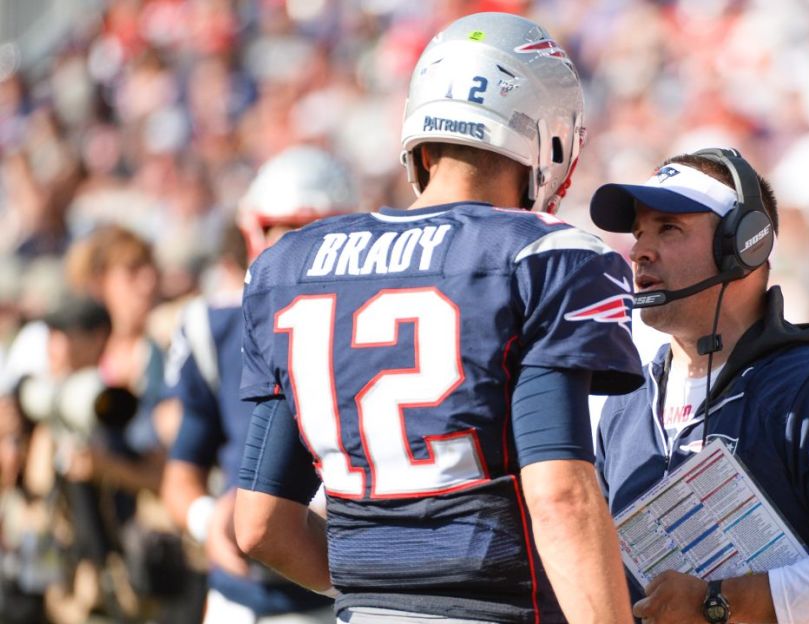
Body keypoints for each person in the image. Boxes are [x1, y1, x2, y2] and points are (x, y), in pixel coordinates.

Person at [232, 12, 643, 624]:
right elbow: (560, 497)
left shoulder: (288, 265)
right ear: (548, 139)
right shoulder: (545, 256)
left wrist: (380, 593)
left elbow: (260, 524)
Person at [589, 149, 809, 624]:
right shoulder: (626, 403)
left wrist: (716, 604)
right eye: (639, 232)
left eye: (668, 228)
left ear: (744, 245)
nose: (640, 250)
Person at [160, 145, 359, 623]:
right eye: (282, 233)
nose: (293, 253)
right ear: (255, 233)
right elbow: (180, 474)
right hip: (243, 596)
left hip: (344, 592)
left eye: (311, 235)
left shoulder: (371, 332)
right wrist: (210, 520)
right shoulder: (215, 327)